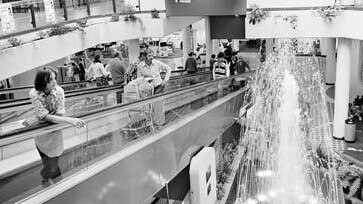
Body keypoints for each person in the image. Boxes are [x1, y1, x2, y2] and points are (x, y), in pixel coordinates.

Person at [23, 68, 85, 185]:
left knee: (53, 164)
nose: (54, 82)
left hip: (54, 131)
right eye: (50, 80)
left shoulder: (59, 91)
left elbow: (59, 113)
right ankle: (51, 181)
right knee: (47, 162)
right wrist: (68, 120)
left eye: (54, 78)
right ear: (42, 82)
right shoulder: (34, 93)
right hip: (41, 134)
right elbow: (45, 115)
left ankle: (50, 180)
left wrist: (38, 118)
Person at [137, 49, 171, 126]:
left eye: (152, 55)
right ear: (145, 56)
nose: (151, 57)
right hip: (148, 90)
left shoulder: (157, 63)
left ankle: (160, 124)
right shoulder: (140, 66)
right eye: (149, 55)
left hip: (158, 88)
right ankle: (151, 124)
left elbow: (168, 69)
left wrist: (165, 80)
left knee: (159, 107)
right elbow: (139, 78)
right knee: (149, 108)